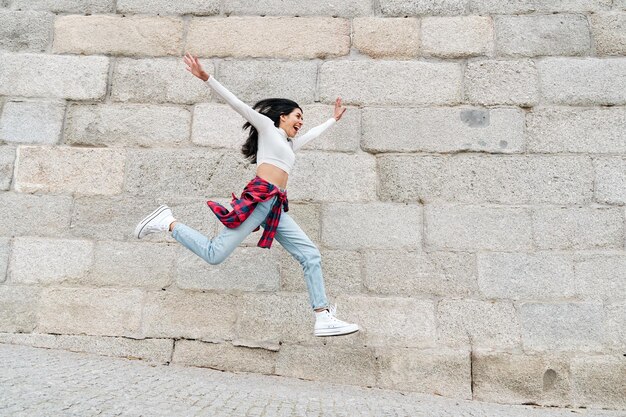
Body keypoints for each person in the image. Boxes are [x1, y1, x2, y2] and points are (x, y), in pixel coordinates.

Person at [134, 53, 359, 337]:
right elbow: (238, 104)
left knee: (310, 255)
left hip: (275, 207)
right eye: (298, 116)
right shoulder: (268, 128)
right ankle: (168, 222)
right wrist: (206, 78)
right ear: (282, 116)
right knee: (214, 254)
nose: (301, 122)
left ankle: (323, 316)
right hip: (259, 200)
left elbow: (311, 135)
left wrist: (333, 120)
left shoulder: (289, 146)